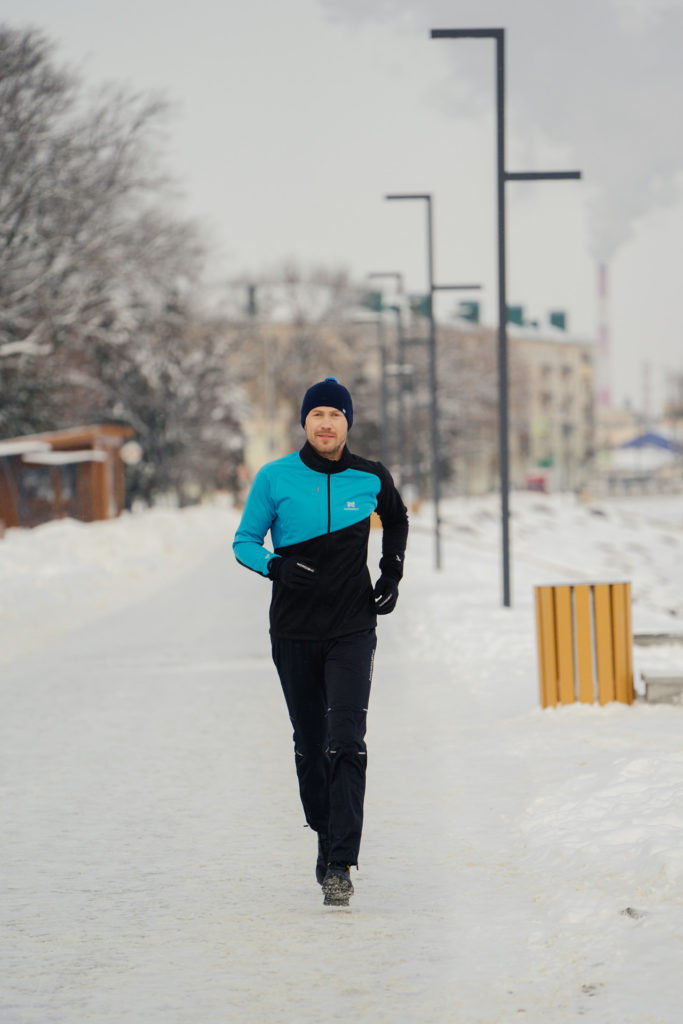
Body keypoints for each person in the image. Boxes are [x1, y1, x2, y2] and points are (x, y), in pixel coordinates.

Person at [233, 376, 409, 906]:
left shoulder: (370, 476)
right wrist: (277, 567)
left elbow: (397, 519)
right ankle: (324, 832)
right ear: (305, 424)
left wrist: (391, 571)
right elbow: (244, 542)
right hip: (294, 630)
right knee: (311, 748)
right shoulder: (274, 477)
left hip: (353, 627)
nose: (326, 424)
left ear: (347, 422)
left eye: (335, 415)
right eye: (317, 416)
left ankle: (340, 862)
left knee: (346, 740)